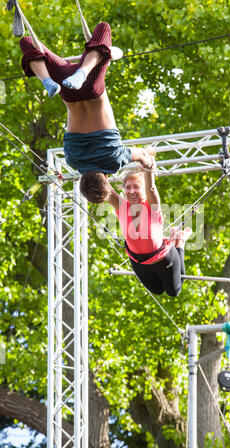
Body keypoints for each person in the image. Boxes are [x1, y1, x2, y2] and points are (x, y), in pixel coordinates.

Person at [19, 21, 155, 203]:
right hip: (66, 89)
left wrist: (148, 165)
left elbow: (142, 156)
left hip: (92, 88)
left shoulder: (115, 161)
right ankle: (46, 79)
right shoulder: (72, 159)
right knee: (28, 43)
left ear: (106, 180)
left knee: (104, 30)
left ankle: (83, 71)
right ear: (82, 180)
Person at [101, 165, 192, 297]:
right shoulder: (121, 206)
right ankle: (178, 238)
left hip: (163, 258)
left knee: (174, 291)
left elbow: (151, 187)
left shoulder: (152, 205)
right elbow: (103, 186)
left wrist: (147, 165)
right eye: (128, 187)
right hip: (139, 262)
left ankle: (180, 241)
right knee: (157, 290)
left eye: (136, 187)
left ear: (143, 189)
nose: (131, 191)